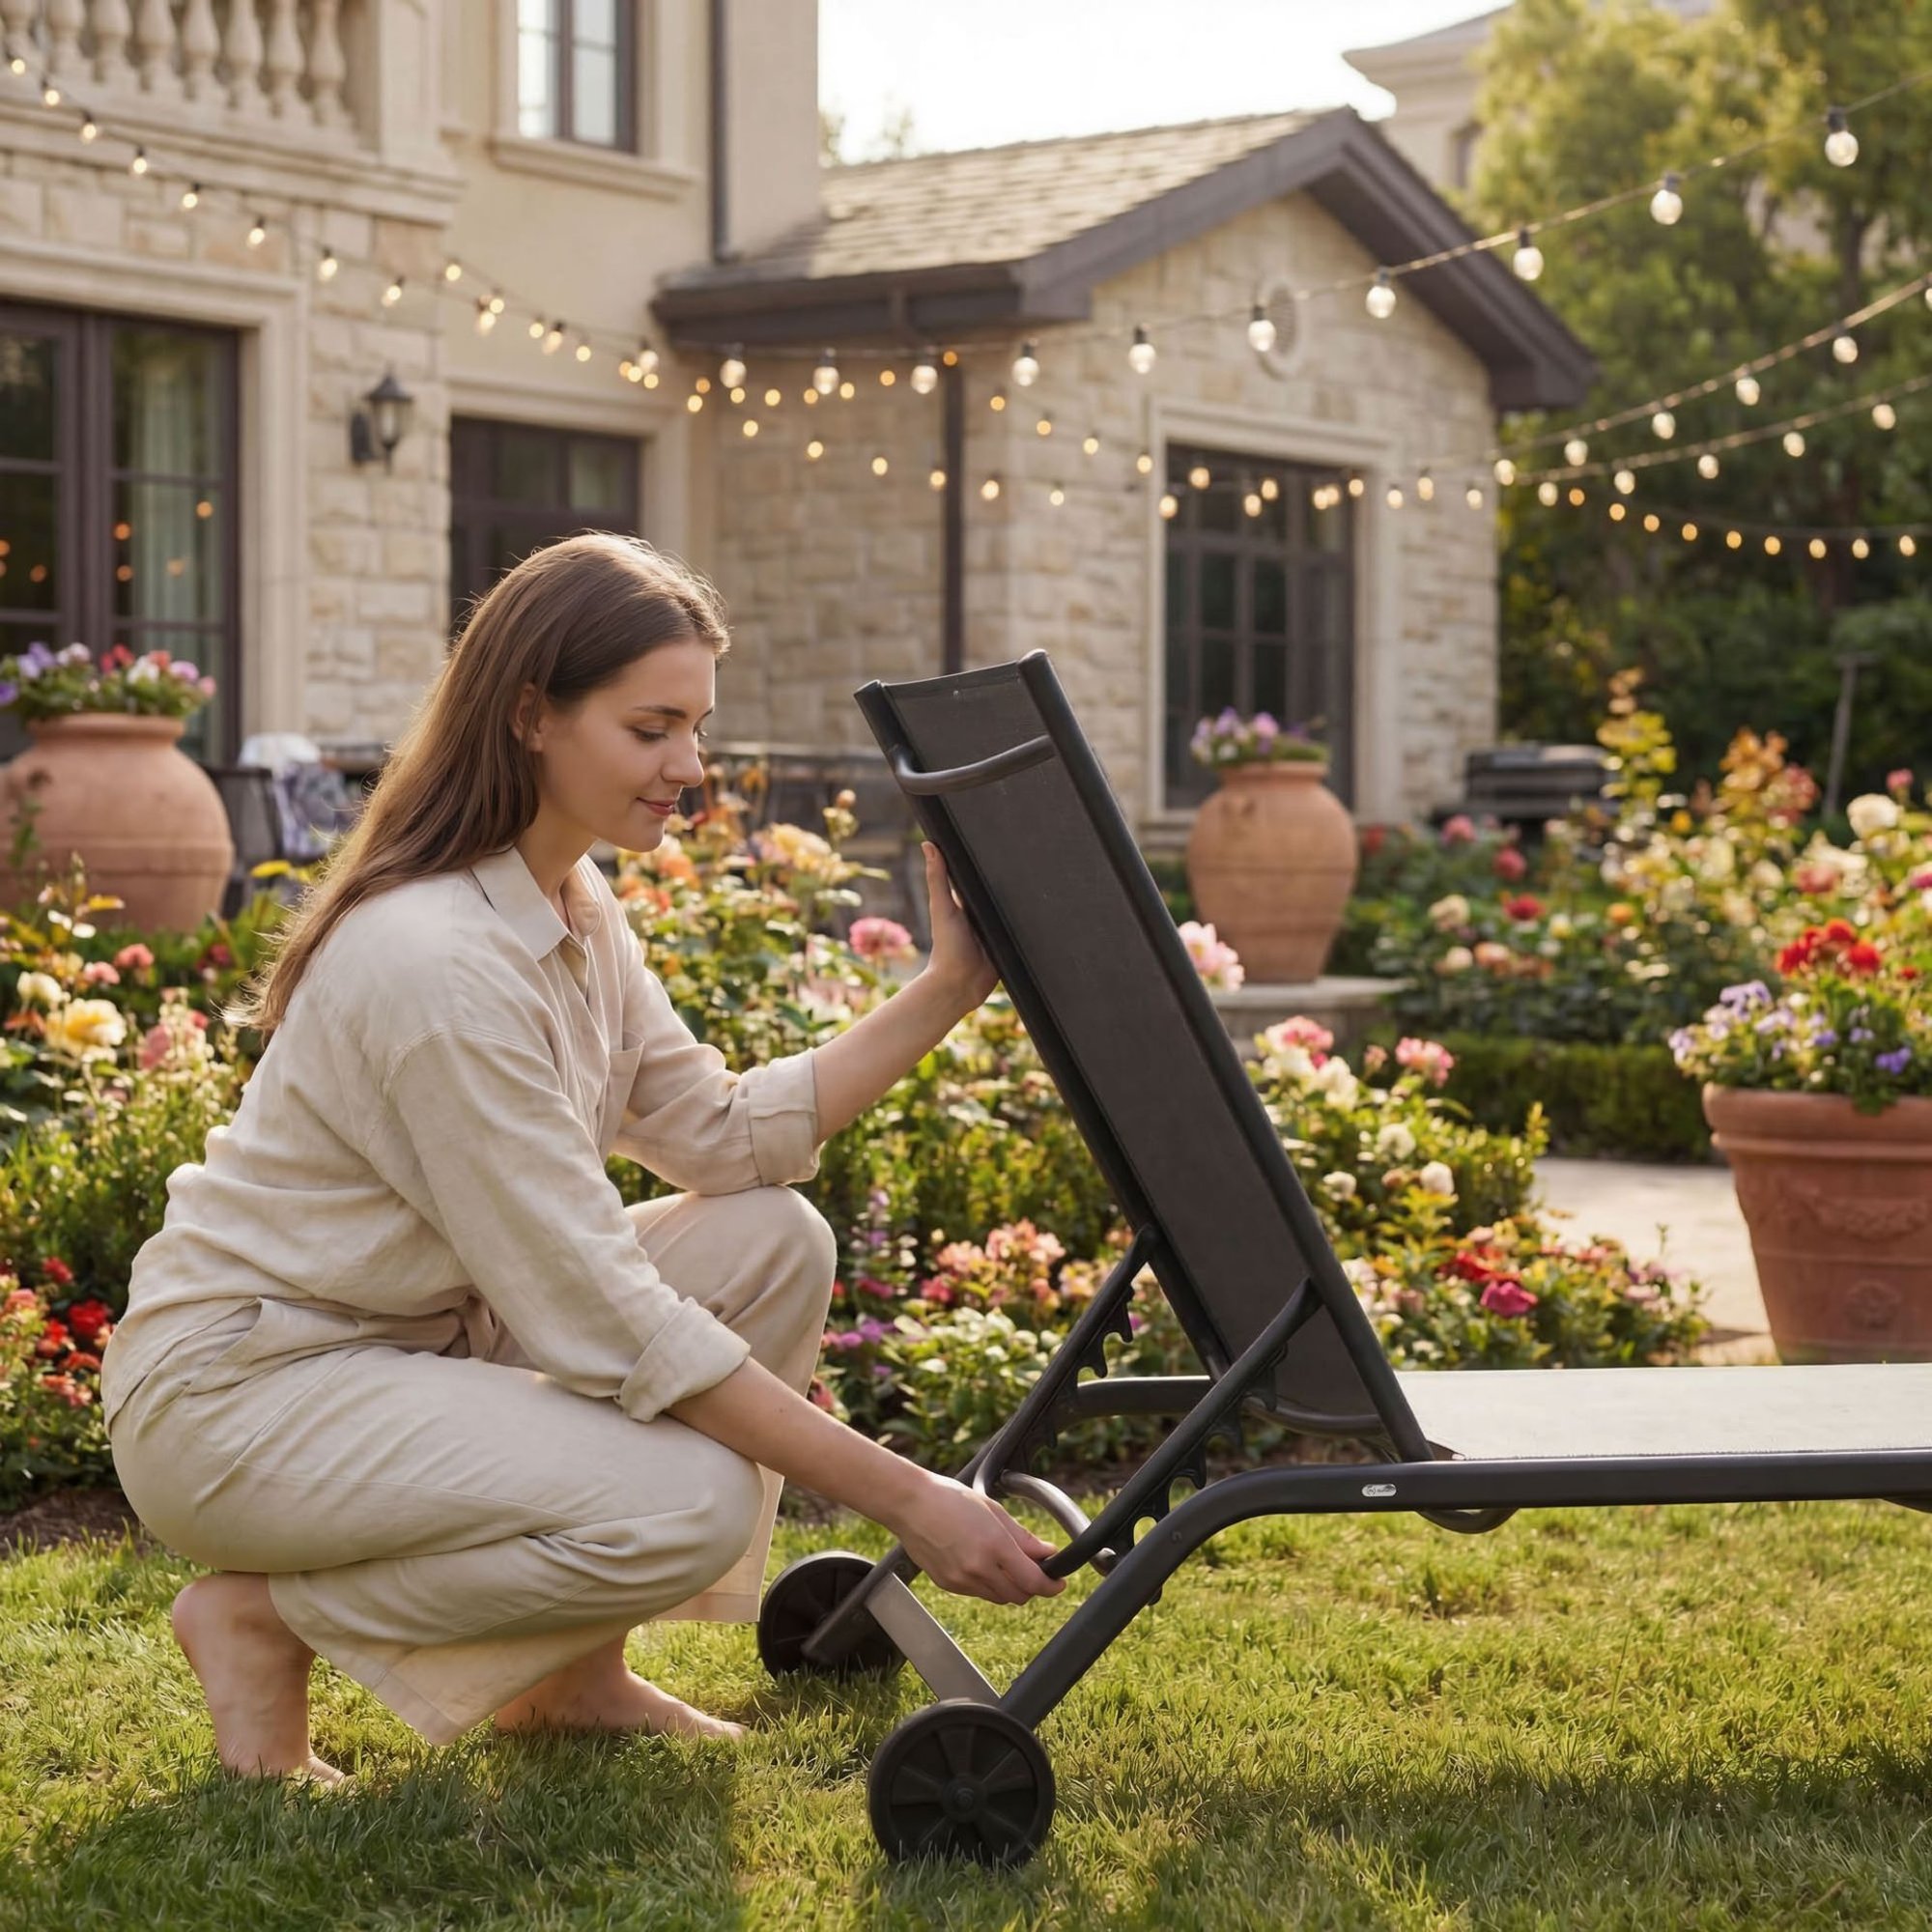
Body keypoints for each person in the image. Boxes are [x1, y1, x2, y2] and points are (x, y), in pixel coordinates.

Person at [100, 532, 1064, 1786]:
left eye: (695, 728)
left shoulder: (572, 906)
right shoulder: (435, 963)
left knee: (774, 1238)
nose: (691, 768)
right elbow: (612, 1323)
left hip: (417, 1342)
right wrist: (911, 1497)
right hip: (245, 1392)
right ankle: (261, 1623)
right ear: (529, 719)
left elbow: (715, 1132)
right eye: (652, 728)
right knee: (683, 1506)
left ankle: (569, 1679)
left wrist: (948, 987)